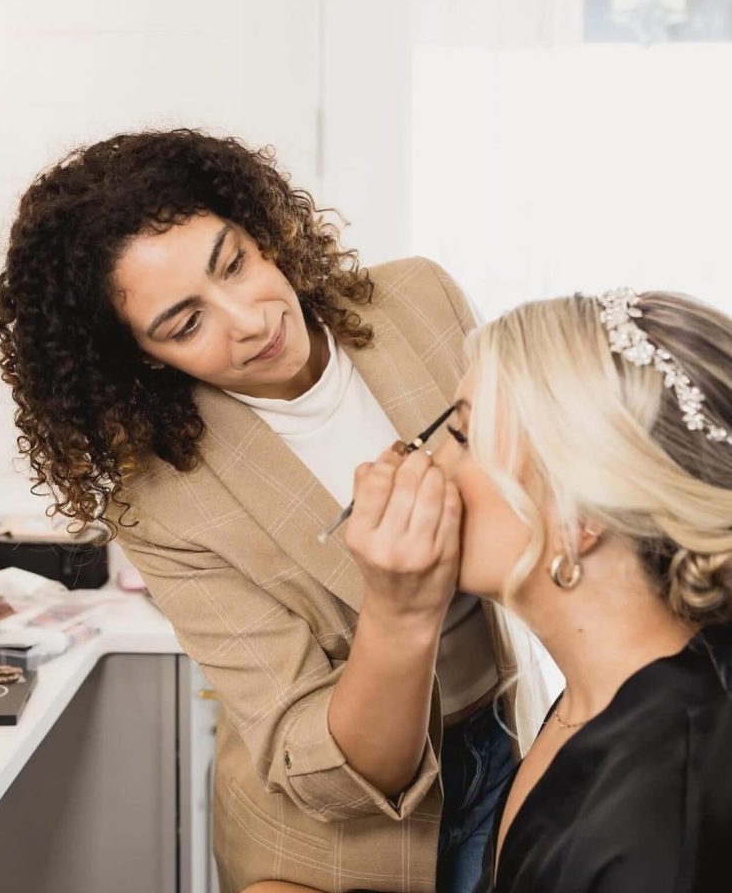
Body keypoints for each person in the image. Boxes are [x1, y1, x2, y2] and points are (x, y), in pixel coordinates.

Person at [0, 128, 551, 893]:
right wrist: (396, 608)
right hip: (331, 844)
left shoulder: (420, 300)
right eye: (185, 324)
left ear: (261, 228)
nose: (251, 321)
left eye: (236, 263)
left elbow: (542, 481)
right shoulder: (159, 500)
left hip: (508, 735)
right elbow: (323, 769)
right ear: (137, 358)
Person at [292, 284, 730, 893]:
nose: (429, 467)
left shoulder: (655, 824)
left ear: (582, 514)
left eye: (464, 438)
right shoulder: (601, 695)